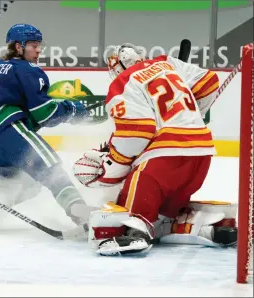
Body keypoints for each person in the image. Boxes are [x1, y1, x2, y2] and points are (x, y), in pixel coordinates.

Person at [73, 43, 237, 255]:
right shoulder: (167, 63)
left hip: (164, 158)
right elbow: (208, 83)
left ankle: (134, 233)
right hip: (201, 153)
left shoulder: (123, 82)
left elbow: (136, 134)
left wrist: (114, 163)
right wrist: (187, 115)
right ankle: (198, 227)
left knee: (132, 204)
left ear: (116, 69)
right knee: (165, 212)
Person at [0, 24, 97, 234]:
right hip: (9, 132)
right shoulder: (28, 70)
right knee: (51, 167)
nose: (38, 50)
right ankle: (81, 213)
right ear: (18, 47)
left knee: (25, 184)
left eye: (39, 46)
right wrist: (72, 110)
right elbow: (44, 112)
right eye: (33, 45)